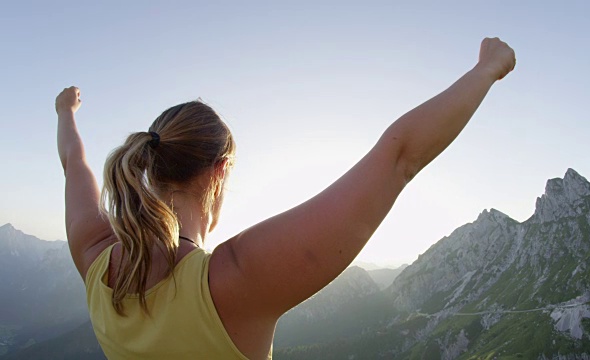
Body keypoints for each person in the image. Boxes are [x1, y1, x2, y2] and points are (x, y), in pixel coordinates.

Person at [56, 37, 515, 359]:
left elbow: (74, 165)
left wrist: (66, 112)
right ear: (220, 172)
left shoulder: (94, 258)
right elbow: (398, 158)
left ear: (147, 168)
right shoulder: (232, 282)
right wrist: (487, 69)